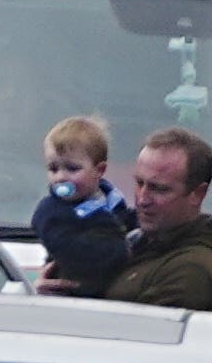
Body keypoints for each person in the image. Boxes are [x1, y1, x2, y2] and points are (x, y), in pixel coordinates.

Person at [103, 128, 212, 308]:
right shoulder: (137, 241)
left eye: (159, 189)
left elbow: (132, 333)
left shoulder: (191, 272)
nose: (142, 200)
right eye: (139, 183)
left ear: (197, 194)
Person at [30, 113, 134, 292]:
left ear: (99, 170)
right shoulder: (51, 212)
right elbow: (71, 250)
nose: (61, 177)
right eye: (53, 168)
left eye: (72, 168)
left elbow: (128, 224)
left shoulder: (112, 201)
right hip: (69, 289)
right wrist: (122, 251)